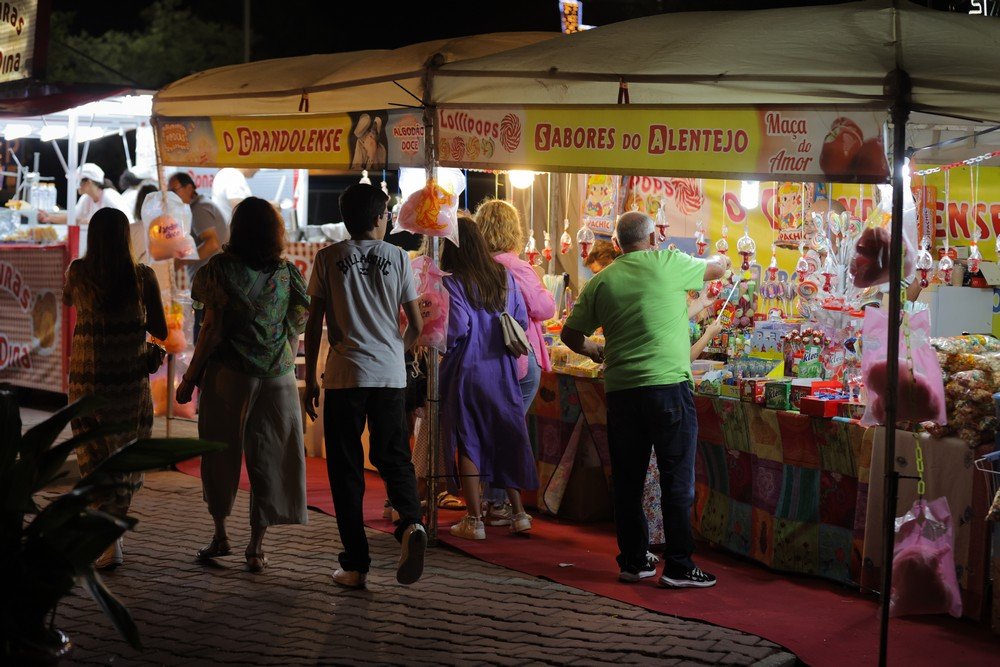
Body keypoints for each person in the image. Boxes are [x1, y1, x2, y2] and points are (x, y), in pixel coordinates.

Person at [561, 211, 727, 588]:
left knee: (628, 479)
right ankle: (679, 565)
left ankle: (634, 561)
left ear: (617, 244)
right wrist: (720, 257)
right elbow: (717, 269)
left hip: (622, 391)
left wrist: (595, 351)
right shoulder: (669, 262)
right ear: (653, 239)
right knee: (676, 478)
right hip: (668, 387)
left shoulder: (602, 281)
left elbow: (571, 334)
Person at [302, 182, 427, 589]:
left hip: (344, 375)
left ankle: (355, 564)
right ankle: (411, 523)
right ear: (379, 218)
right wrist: (397, 353)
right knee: (394, 456)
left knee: (345, 468)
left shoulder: (327, 258)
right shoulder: (398, 257)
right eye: (387, 214)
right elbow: (416, 325)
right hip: (389, 375)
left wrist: (310, 380)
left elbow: (314, 324)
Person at [175, 197, 309, 573]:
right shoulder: (287, 273)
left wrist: (190, 377)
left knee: (220, 451)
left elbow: (211, 330)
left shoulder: (219, 270)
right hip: (278, 377)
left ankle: (221, 534)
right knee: (270, 458)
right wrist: (279, 357)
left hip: (229, 375)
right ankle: (256, 547)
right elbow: (296, 325)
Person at [63, 208, 168, 569]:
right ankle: (112, 538)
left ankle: (109, 539)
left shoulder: (78, 272)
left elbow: (67, 299)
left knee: (91, 458)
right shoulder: (142, 277)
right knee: (122, 459)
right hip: (125, 384)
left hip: (85, 381)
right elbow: (160, 329)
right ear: (126, 237)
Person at [439, 217, 539, 540]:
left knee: (469, 440)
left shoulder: (453, 281)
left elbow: (457, 327)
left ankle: (474, 519)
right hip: (503, 369)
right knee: (505, 435)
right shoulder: (504, 276)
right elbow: (520, 319)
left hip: (467, 370)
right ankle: (519, 514)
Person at [473, 199, 556, 527]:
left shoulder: (475, 266)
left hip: (484, 360)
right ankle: (497, 502)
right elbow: (545, 309)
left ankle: (489, 499)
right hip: (519, 357)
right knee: (508, 430)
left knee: (491, 429)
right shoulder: (516, 266)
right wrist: (543, 287)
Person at [168, 172, 230, 342]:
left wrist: (180, 261)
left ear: (189, 188)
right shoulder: (201, 206)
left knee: (203, 334)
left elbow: (212, 243)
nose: (171, 195)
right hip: (213, 281)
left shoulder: (199, 209)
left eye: (174, 190)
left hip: (209, 283)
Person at [40, 163, 132, 225]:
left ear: (88, 182)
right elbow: (73, 218)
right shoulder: (86, 198)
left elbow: (126, 222)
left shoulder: (110, 196)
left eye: (77, 181)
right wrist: (49, 217)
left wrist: (92, 223)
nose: (76, 186)